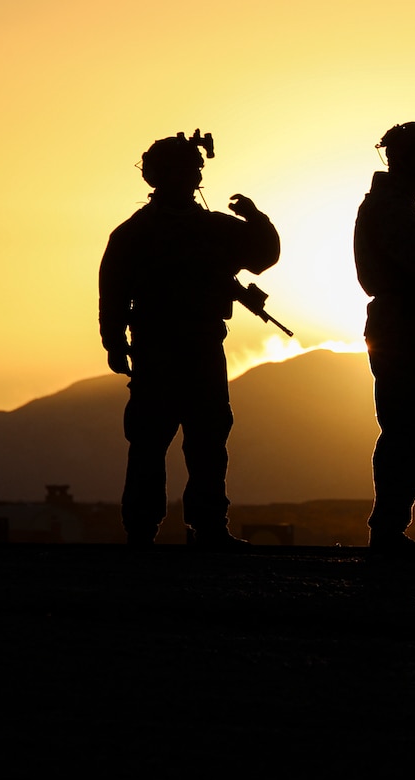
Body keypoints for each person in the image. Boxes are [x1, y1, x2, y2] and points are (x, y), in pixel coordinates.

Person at [99, 130, 280, 547]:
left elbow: (262, 256)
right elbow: (114, 293)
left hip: (197, 348)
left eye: (191, 169)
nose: (190, 177)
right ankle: (145, 529)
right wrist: (113, 342)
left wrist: (255, 217)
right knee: (152, 442)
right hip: (160, 350)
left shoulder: (200, 229)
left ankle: (207, 526)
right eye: (183, 170)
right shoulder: (136, 234)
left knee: (206, 440)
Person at [353, 120, 415, 556]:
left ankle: (389, 529)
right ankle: (388, 530)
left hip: (402, 322)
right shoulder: (392, 208)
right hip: (404, 323)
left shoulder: (396, 204)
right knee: (407, 430)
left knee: (408, 429)